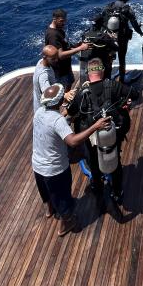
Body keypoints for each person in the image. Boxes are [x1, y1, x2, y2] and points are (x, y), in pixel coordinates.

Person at [32, 84, 110, 236]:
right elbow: (73, 141)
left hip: (37, 165)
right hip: (54, 170)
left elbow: (53, 123)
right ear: (60, 100)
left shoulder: (39, 112)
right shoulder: (57, 121)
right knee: (63, 198)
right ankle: (66, 224)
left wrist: (68, 114)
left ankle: (49, 210)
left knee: (47, 193)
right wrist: (95, 126)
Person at [66, 58, 135, 209]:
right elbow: (134, 94)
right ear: (102, 71)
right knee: (115, 162)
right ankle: (117, 193)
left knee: (94, 166)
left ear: (88, 73)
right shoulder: (113, 86)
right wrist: (125, 102)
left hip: (90, 139)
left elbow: (70, 111)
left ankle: (99, 196)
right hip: (112, 134)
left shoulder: (81, 94)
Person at [101, 0, 143, 83]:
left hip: (109, 38)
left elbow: (102, 20)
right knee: (122, 58)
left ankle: (107, 79)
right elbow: (134, 24)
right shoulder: (127, 9)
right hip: (122, 38)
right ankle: (122, 79)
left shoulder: (109, 6)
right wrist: (140, 32)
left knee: (109, 58)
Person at [44, 8, 89, 90]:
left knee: (69, 83)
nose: (64, 23)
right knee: (62, 89)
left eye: (64, 20)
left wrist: (76, 45)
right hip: (60, 70)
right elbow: (60, 55)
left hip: (65, 66)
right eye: (61, 21)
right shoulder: (53, 35)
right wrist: (80, 48)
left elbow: (63, 45)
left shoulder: (58, 28)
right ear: (54, 19)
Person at [78, 10, 119, 81]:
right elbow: (116, 48)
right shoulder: (104, 36)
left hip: (91, 63)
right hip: (103, 63)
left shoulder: (85, 35)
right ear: (102, 23)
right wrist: (114, 39)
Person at [32, 45, 59, 113]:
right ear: (44, 57)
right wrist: (64, 95)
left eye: (57, 57)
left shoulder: (41, 61)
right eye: (53, 59)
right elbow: (49, 95)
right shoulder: (43, 76)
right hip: (45, 110)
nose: (56, 60)